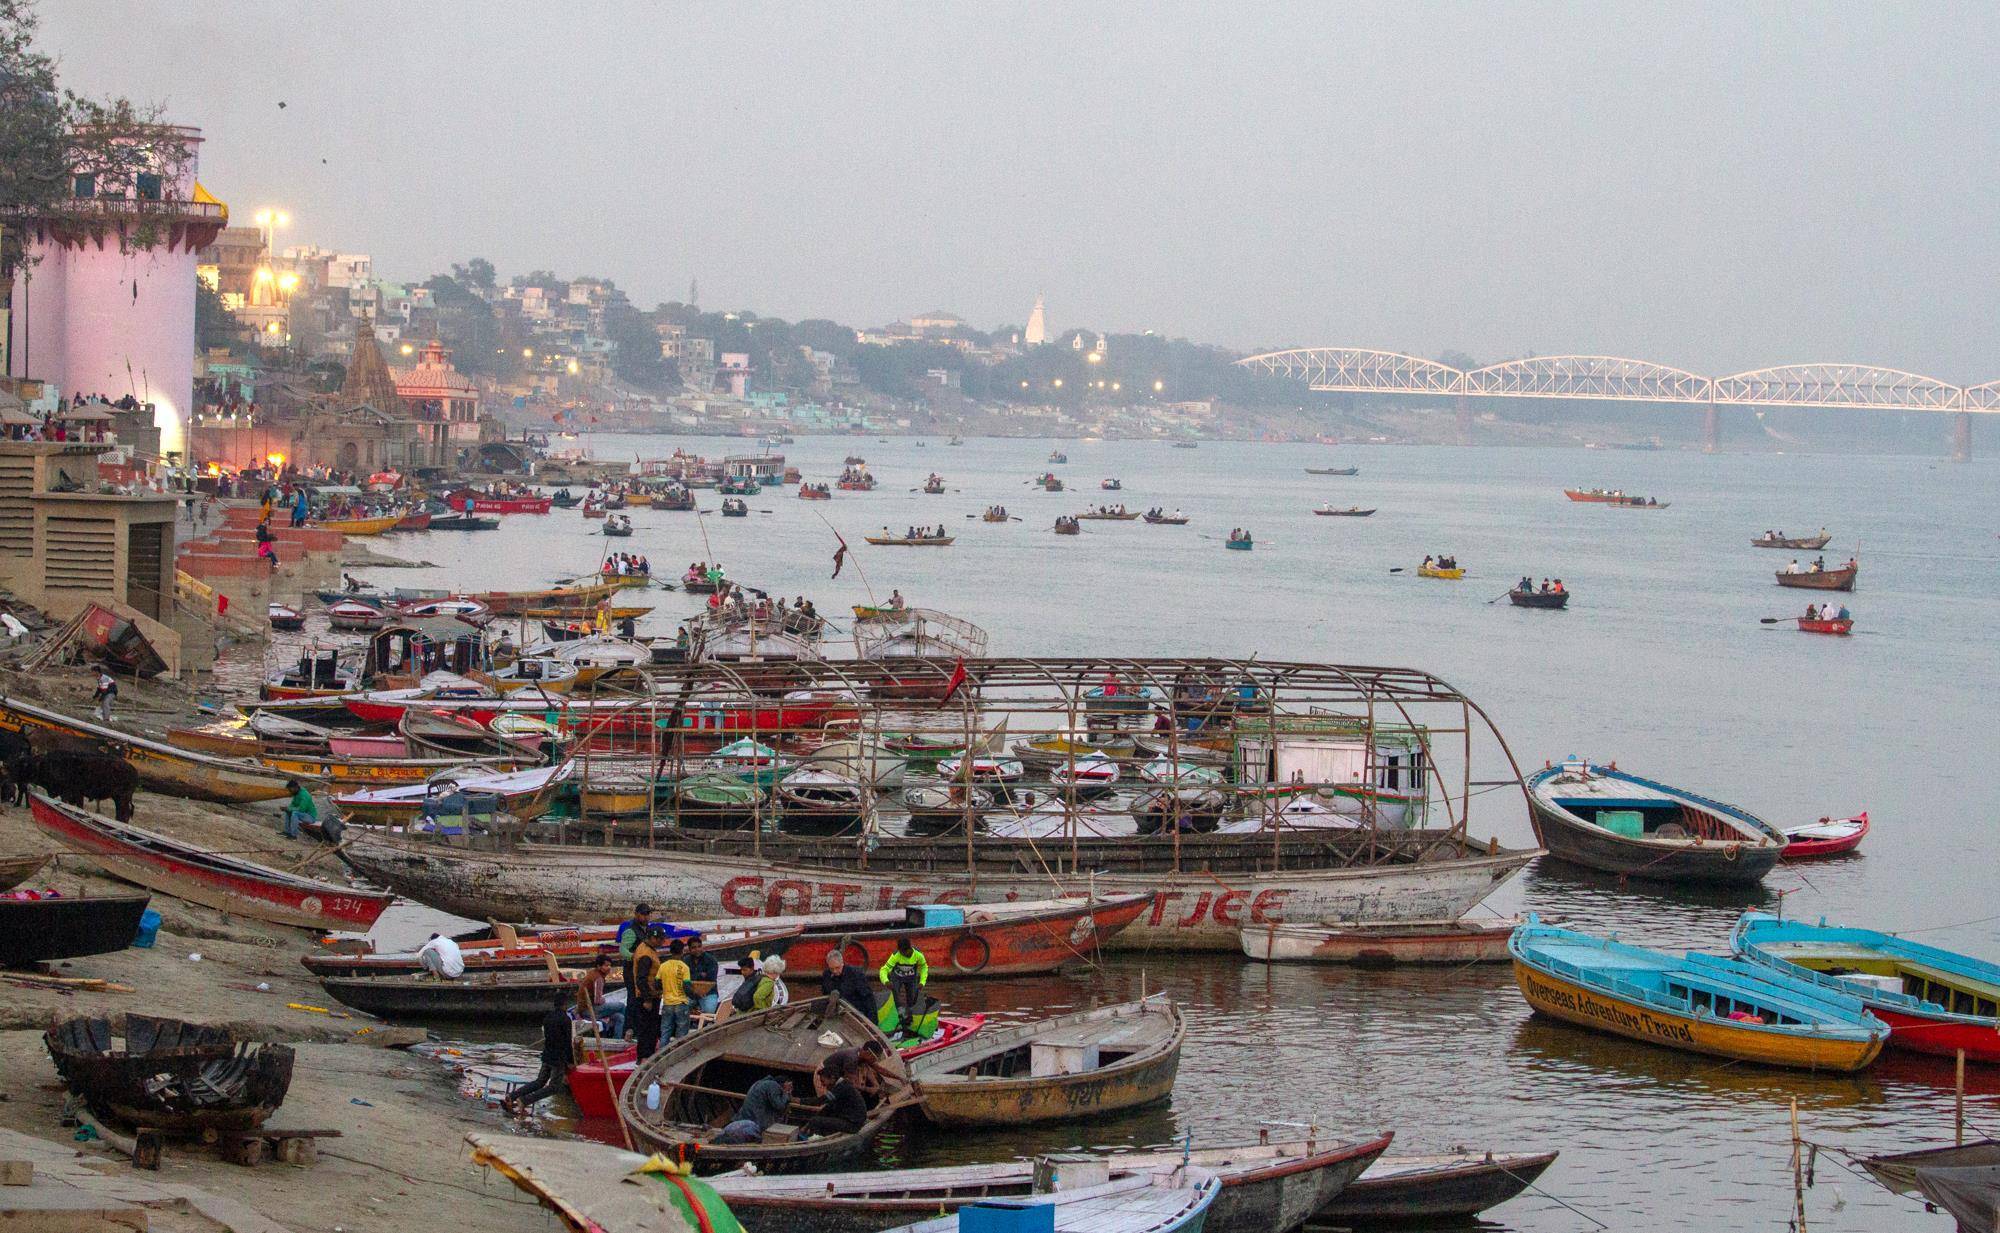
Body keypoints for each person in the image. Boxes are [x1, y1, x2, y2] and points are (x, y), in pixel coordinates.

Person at [503, 1004, 576, 1115]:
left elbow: (547, 1038)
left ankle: (512, 1096)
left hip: (546, 1056)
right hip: (558, 1059)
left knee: (539, 1082)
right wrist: (570, 1061)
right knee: (554, 1087)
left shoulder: (548, 1018)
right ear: (565, 1005)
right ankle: (524, 1100)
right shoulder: (565, 1020)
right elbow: (567, 1042)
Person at [713, 1074, 795, 1145]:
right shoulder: (773, 1085)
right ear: (785, 1083)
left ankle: (703, 1146)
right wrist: (786, 1093)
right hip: (754, 1122)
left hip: (744, 1119)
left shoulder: (759, 1083)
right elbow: (779, 1105)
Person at [795, 1068, 868, 1139]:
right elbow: (827, 1108)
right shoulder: (841, 1085)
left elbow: (819, 1101)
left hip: (853, 1124)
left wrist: (798, 1100)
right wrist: (807, 1125)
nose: (823, 1084)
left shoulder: (842, 1087)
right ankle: (815, 1135)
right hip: (850, 1120)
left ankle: (814, 1140)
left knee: (816, 1121)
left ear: (832, 1078)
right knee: (823, 1113)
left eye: (823, 1081)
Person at [630, 927, 664, 1059]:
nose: (662, 943)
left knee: (651, 1028)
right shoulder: (645, 955)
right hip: (647, 997)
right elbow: (641, 979)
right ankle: (644, 1057)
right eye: (660, 940)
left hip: (652, 994)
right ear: (653, 938)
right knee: (647, 1029)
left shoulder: (647, 949)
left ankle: (648, 1055)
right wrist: (647, 999)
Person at [879, 939, 928, 1030]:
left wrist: (922, 982)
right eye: (901, 952)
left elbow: (924, 967)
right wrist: (886, 981)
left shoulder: (918, 955)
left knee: (913, 999)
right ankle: (900, 1019)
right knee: (895, 999)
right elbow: (884, 970)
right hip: (896, 978)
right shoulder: (895, 956)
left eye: (904, 952)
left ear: (910, 949)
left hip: (911, 979)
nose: (903, 954)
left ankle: (911, 1021)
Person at [574, 952, 625, 1038]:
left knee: (620, 1017)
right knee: (621, 1006)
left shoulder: (592, 973)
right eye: (606, 966)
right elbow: (597, 1001)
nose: (609, 968)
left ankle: (617, 1040)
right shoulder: (598, 978)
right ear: (598, 966)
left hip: (586, 1009)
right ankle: (628, 1030)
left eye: (609, 965)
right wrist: (604, 1000)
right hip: (589, 1010)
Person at [820, 951, 878, 1021]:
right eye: (831, 969)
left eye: (837, 968)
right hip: (837, 1013)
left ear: (842, 964)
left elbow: (868, 998)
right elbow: (825, 994)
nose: (834, 971)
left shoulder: (856, 974)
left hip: (856, 1012)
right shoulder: (826, 975)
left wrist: (872, 1021)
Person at [658, 936, 694, 1046]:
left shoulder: (663, 966)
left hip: (667, 1003)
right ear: (682, 951)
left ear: (670, 951)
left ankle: (662, 1055)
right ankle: (678, 1055)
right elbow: (687, 987)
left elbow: (657, 983)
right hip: (681, 1003)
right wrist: (695, 995)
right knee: (681, 1034)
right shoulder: (684, 967)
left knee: (665, 1032)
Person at [616, 903, 654, 1004]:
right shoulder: (631, 931)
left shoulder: (648, 930)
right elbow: (623, 950)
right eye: (643, 914)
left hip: (643, 971)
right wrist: (635, 957)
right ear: (636, 914)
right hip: (631, 971)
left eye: (648, 914)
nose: (646, 917)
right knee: (633, 998)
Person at [685, 933, 720, 1016]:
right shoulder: (686, 961)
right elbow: (685, 979)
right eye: (694, 947)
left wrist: (694, 977)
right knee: (680, 1008)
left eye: (699, 946)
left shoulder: (711, 960)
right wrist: (701, 975)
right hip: (691, 993)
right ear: (689, 949)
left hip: (708, 993)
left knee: (709, 1012)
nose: (697, 949)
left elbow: (712, 978)